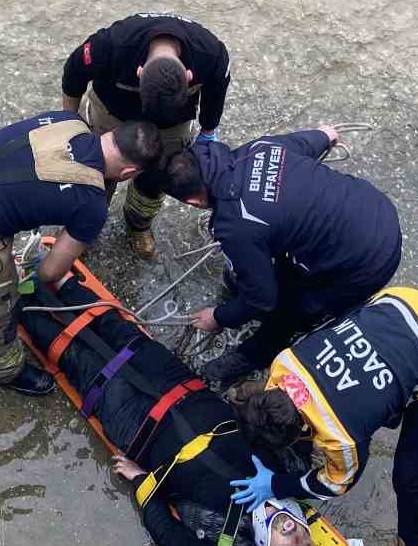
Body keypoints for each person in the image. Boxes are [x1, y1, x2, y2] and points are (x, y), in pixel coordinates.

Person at [18, 284, 318, 546]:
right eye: (307, 543)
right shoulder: (294, 478)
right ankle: (54, 274)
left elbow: (167, 536)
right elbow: (298, 427)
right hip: (183, 388)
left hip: (138, 428)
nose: (297, 540)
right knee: (119, 332)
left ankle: (13, 299)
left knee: (75, 357)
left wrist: (140, 481)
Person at [227, 286, 418, 546]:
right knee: (371, 401)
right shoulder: (284, 363)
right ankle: (390, 400)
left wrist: (275, 484)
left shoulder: (340, 437)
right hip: (404, 300)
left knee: (410, 475)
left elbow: (335, 484)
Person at [0, 111, 161, 395]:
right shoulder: (92, 204)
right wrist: (22, 278)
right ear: (129, 174)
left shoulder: (68, 120)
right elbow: (50, 272)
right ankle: (1, 370)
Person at [157, 125, 402, 386]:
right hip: (376, 208)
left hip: (363, 263)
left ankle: (251, 357)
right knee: (273, 254)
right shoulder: (258, 149)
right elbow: (312, 141)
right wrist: (325, 135)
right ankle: (251, 290)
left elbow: (261, 298)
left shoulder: (236, 225)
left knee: (291, 309)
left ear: (194, 202)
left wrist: (218, 318)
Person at [60, 13, 233, 258]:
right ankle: (83, 227)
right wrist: (68, 121)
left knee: (157, 178)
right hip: (112, 114)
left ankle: (137, 224)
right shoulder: (110, 45)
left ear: (188, 76)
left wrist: (207, 132)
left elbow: (216, 95)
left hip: (172, 125)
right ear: (139, 72)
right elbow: (72, 75)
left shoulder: (212, 55)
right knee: (96, 172)